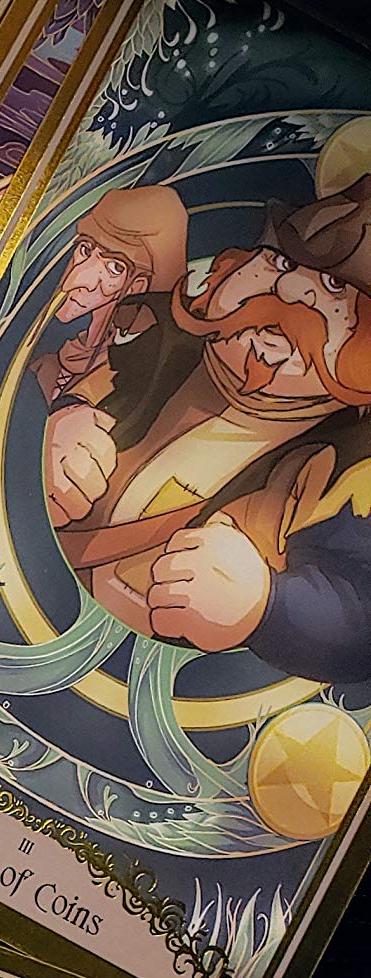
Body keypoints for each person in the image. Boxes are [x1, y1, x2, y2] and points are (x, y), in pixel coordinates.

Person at [41, 171, 371, 677]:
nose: (293, 293)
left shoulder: (351, 466)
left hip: (148, 680)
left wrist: (265, 606)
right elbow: (29, 378)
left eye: (335, 288)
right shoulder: (157, 333)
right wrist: (60, 421)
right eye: (283, 263)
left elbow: (359, 614)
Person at [28, 185, 188, 405]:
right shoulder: (49, 364)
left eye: (114, 267)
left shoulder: (125, 382)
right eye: (85, 249)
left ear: (137, 287)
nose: (75, 279)